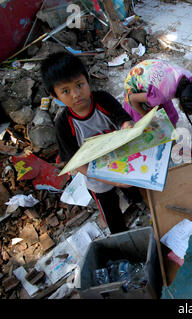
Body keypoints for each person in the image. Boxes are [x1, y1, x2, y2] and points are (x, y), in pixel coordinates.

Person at [41, 51, 141, 234]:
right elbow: (77, 163)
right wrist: (113, 180)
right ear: (55, 97)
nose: (76, 94)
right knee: (113, 217)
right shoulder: (63, 124)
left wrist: (128, 127)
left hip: (124, 165)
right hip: (98, 179)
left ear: (88, 81)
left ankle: (141, 207)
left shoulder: (103, 99)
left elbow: (124, 120)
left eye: (79, 85)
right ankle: (123, 239)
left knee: (138, 194)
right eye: (66, 91)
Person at [123, 59, 192, 126]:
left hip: (156, 80)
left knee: (170, 117)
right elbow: (133, 99)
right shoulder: (161, 95)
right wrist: (146, 118)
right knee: (145, 125)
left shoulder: (190, 78)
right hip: (135, 89)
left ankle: (171, 140)